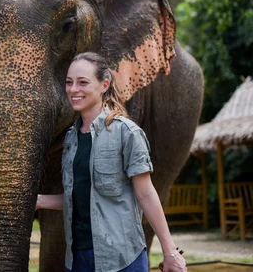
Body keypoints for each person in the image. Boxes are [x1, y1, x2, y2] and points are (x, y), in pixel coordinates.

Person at [36, 52, 187, 272]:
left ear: (104, 85)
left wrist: (170, 251)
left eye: (83, 82)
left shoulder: (127, 133)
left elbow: (146, 194)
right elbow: (78, 196)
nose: (73, 89)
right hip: (77, 259)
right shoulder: (71, 138)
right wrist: (37, 201)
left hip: (121, 259)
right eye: (69, 82)